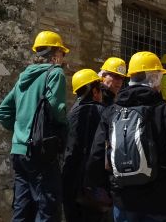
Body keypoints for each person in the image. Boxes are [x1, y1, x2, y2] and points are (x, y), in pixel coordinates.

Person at [87, 51, 166, 222]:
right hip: (159, 202)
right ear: (153, 78)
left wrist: (108, 191)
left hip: (123, 202)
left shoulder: (111, 112)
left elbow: (96, 156)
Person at [0, 30, 70, 222]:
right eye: (62, 53)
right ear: (54, 54)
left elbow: (2, 112)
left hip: (19, 151)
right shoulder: (56, 74)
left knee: (22, 207)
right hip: (41, 150)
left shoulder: (24, 78)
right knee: (47, 208)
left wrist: (22, 129)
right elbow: (57, 108)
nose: (62, 58)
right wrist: (64, 127)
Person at [64, 69, 113, 221]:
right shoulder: (103, 112)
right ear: (95, 91)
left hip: (69, 181)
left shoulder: (71, 114)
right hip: (94, 184)